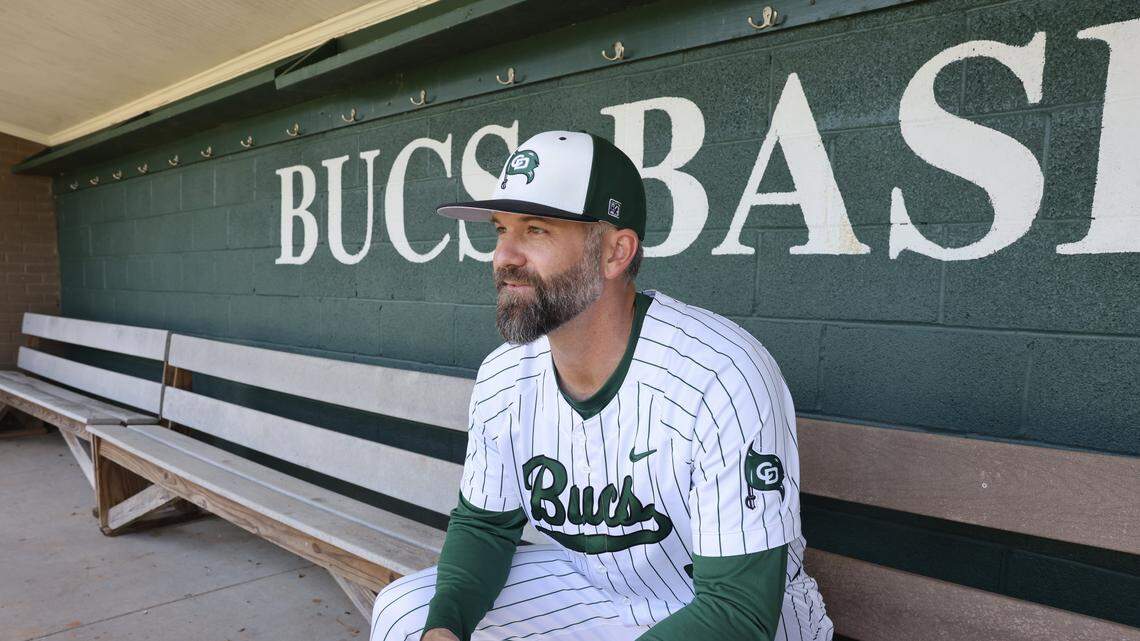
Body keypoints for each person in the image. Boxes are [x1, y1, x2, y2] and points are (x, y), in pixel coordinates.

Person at [370, 130, 833, 641]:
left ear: (615, 253)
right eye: (501, 230)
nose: (504, 255)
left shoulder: (721, 373)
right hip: (597, 593)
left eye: (536, 230)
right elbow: (484, 527)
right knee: (406, 614)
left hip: (731, 616)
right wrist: (445, 627)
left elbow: (738, 611)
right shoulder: (505, 373)